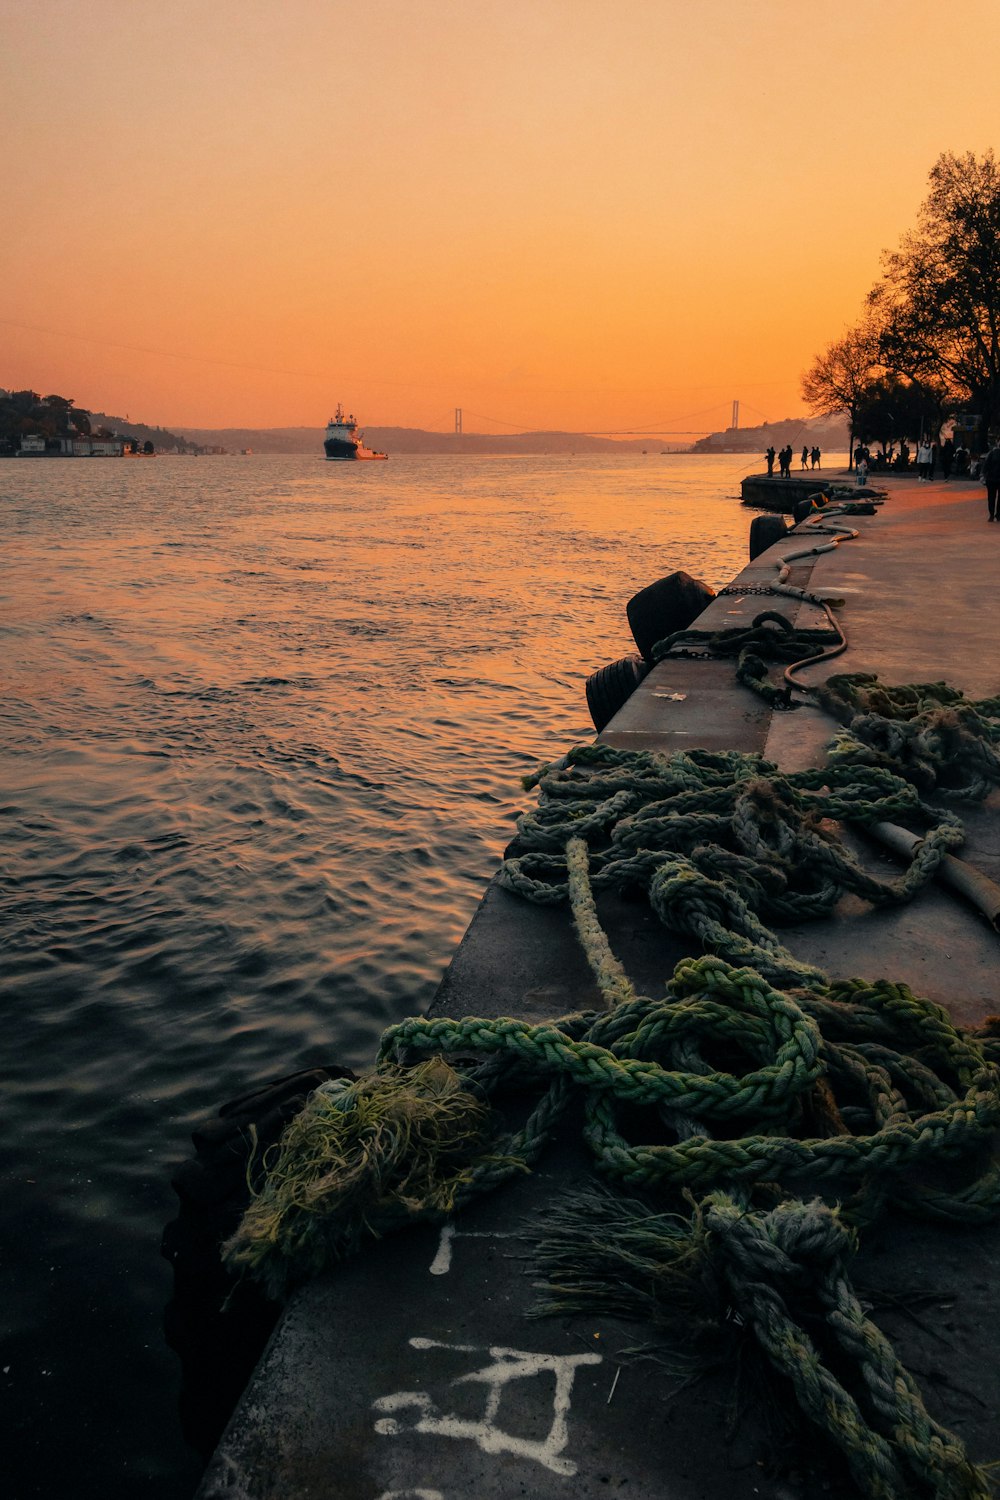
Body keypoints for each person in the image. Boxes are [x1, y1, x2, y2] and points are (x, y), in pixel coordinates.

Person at [982, 440, 1000, 521]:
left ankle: (998, 514)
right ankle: (992, 514)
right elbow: (986, 465)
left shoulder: (991, 453)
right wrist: (983, 475)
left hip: (995, 479)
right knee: (991, 498)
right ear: (997, 442)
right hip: (991, 479)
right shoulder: (992, 453)